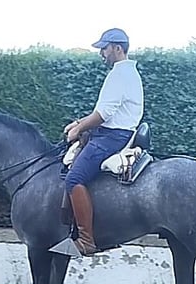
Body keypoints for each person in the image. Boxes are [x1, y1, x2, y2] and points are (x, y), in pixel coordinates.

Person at [62, 28, 144, 256]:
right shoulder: (125, 73)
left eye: (104, 48)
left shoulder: (120, 74)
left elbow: (104, 114)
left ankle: (87, 240)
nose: (102, 53)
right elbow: (104, 110)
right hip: (111, 133)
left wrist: (79, 128)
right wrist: (78, 123)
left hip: (112, 137)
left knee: (74, 179)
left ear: (118, 48)